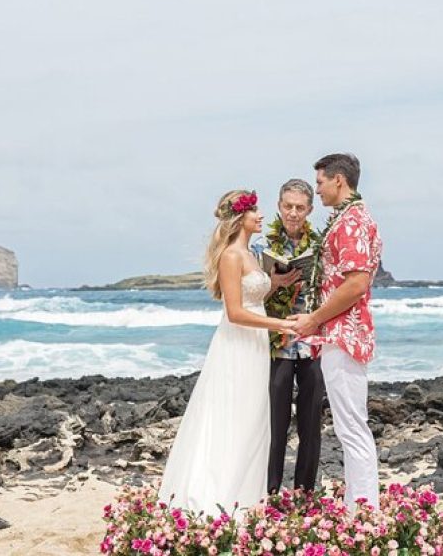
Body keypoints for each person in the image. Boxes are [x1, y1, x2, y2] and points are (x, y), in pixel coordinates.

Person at [158, 189, 296, 516]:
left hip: (255, 345)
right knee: (234, 417)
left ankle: (246, 497)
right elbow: (235, 311)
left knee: (252, 419)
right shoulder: (231, 257)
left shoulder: (249, 254)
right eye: (255, 212)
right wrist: (281, 325)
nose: (261, 217)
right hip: (237, 345)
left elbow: (253, 295)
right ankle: (220, 498)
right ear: (240, 218)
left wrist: (278, 283)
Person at [290, 154, 383, 511]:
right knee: (350, 427)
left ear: (339, 180)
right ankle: (357, 508)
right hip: (340, 332)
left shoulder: (351, 222)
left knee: (351, 428)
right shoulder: (349, 218)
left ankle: (363, 513)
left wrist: (313, 319)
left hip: (344, 333)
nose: (318, 190)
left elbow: (356, 284)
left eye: (320, 183)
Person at [252, 179, 324, 495]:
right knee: (274, 425)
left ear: (310, 209)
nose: (293, 213)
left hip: (312, 344)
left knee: (311, 425)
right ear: (279, 207)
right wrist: (274, 283)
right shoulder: (260, 248)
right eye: (287, 206)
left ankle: (304, 492)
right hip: (276, 344)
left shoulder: (321, 246)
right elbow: (249, 296)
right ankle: (271, 490)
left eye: (299, 207)